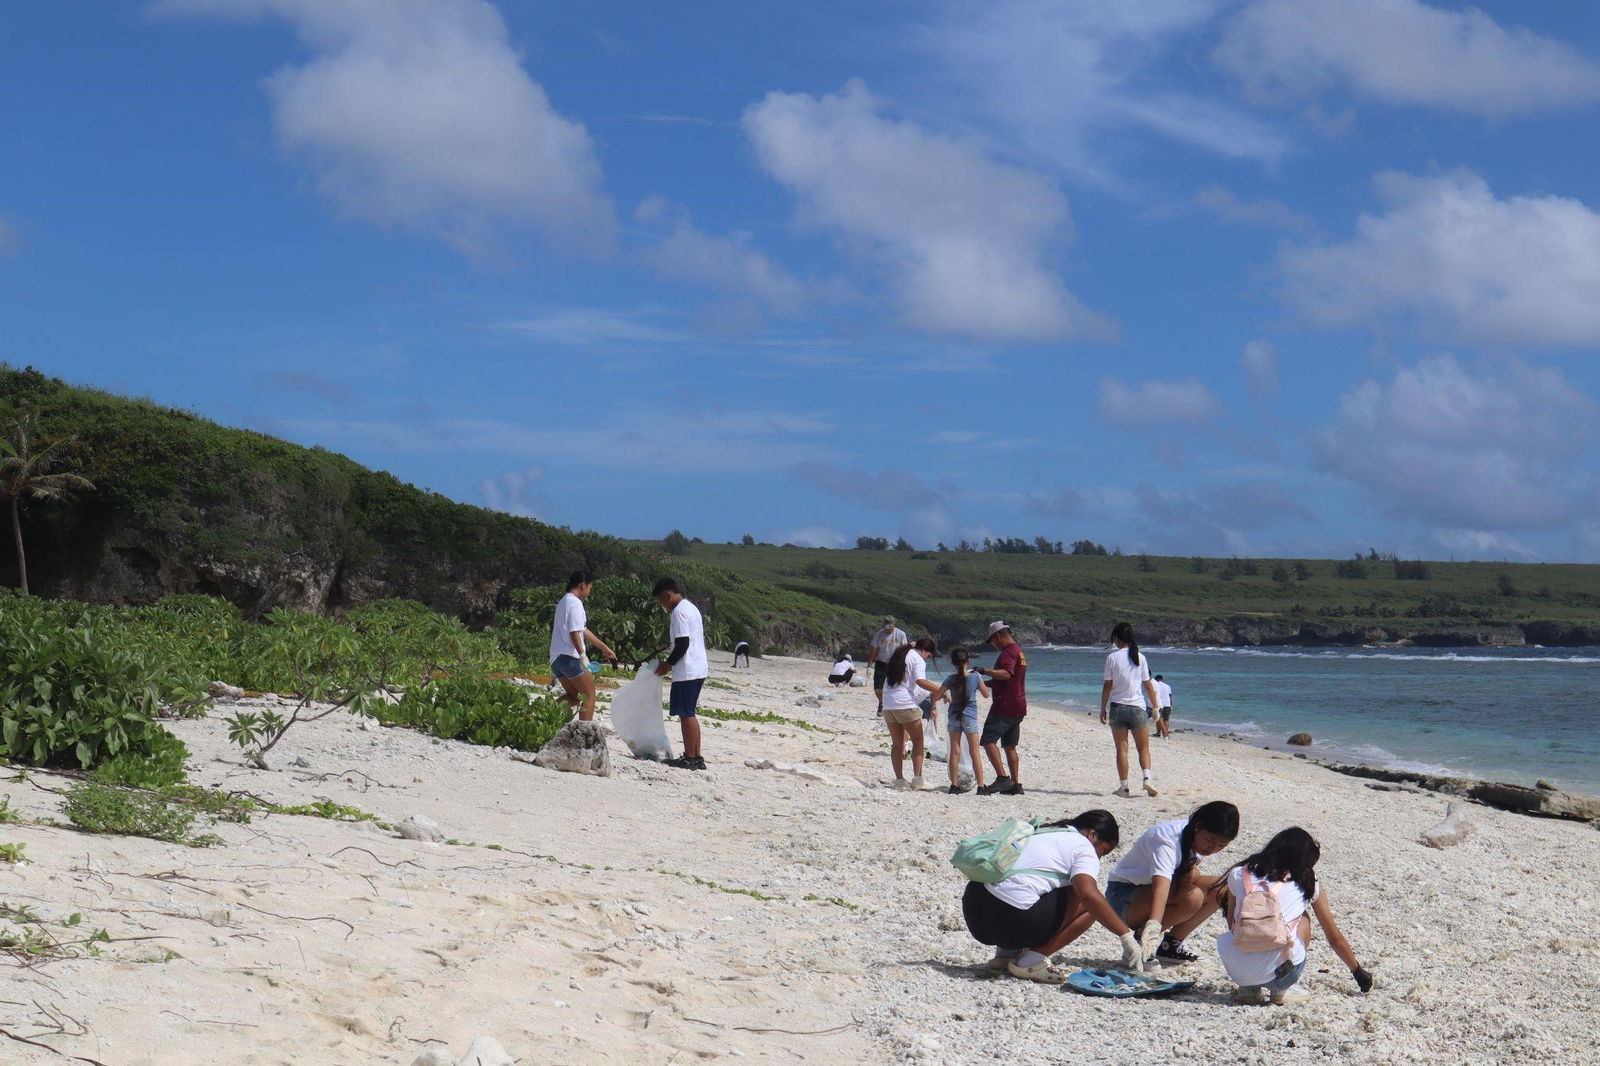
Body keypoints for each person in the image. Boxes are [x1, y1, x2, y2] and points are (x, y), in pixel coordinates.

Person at [961, 810, 1145, 984]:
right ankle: (1031, 961)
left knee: (1031, 887)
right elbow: (1088, 895)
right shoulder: (1083, 846)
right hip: (1011, 924)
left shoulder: (1042, 831)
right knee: (1089, 900)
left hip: (975, 916)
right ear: (1092, 835)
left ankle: (1005, 956)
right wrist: (1126, 936)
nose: (1098, 859)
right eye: (1102, 852)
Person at [1217, 827, 1373, 1004]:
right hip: (1279, 974)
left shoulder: (1239, 873)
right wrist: (1358, 972)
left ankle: (1248, 990)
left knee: (1244, 918)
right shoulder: (1306, 879)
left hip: (1237, 970)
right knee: (1303, 917)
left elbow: (1232, 923)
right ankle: (1281, 989)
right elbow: (1334, 938)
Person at [1104, 800, 1240, 966]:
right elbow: (1161, 884)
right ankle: (1141, 941)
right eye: (1210, 840)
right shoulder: (1168, 839)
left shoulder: (1195, 837)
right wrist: (1154, 925)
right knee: (1193, 897)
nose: (1213, 848)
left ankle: (1171, 946)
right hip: (1122, 897)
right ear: (1198, 826)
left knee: (1221, 889)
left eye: (1221, 845)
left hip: (1148, 893)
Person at [651, 577, 708, 771]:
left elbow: (683, 643)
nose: (662, 606)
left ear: (667, 595)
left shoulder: (679, 612)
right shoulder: (691, 608)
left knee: (686, 714)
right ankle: (696, 756)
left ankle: (690, 757)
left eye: (661, 601)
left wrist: (668, 664)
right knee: (689, 712)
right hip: (698, 667)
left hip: (688, 669)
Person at [1100, 622, 1160, 797]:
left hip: (1118, 707)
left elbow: (1107, 686)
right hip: (1138, 708)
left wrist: (1102, 708)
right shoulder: (1140, 657)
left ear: (1117, 639)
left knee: (1122, 750)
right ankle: (1147, 778)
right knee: (1143, 748)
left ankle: (1124, 787)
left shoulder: (1112, 658)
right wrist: (1156, 706)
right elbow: (1148, 686)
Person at [548, 569, 617, 721]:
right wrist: (582, 655)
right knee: (589, 696)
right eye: (590, 588)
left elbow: (582, 630)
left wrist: (604, 648)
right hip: (570, 658)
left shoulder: (563, 601)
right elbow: (574, 632)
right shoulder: (575, 603)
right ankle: (584, 734)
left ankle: (545, 715)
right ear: (582, 585)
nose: (589, 592)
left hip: (556, 659)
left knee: (574, 696)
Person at [972, 621, 1027, 796]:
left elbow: (1006, 674)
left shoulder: (1008, 652)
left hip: (1005, 705)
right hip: (1018, 704)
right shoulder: (1018, 650)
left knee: (988, 741)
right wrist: (980, 683)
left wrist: (983, 671)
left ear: (998, 636)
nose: (994, 645)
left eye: (993, 641)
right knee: (1010, 745)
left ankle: (1002, 778)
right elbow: (1007, 680)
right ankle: (1016, 785)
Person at [880, 639, 940, 789]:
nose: (927, 658)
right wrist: (941, 689)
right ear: (926, 652)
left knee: (897, 744)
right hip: (905, 704)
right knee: (918, 742)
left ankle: (899, 780)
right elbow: (920, 681)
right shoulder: (918, 659)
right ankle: (918, 780)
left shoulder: (900, 654)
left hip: (887, 704)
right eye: (929, 656)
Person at [930, 646, 988, 794]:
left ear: (953, 663)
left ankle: (954, 785)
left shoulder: (950, 679)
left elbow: (935, 696)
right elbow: (986, 694)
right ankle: (981, 786)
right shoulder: (975, 677)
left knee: (955, 751)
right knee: (974, 751)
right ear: (968, 661)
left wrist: (942, 698)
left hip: (954, 716)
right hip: (969, 716)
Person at [867, 616, 907, 714]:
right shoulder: (879, 635)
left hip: (895, 664)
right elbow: (873, 650)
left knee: (895, 687)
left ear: (894, 625)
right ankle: (881, 702)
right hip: (881, 662)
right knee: (878, 688)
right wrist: (869, 665)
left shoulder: (901, 634)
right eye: (886, 627)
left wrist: (905, 664)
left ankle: (893, 707)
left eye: (889, 627)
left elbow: (904, 650)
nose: (887, 629)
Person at [1153, 674, 1173, 739]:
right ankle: (1166, 733)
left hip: (1159, 704)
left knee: (1158, 719)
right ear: (1162, 679)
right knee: (1166, 720)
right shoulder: (1167, 686)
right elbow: (1170, 697)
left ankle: (1158, 733)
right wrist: (1171, 705)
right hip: (1167, 705)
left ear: (1156, 679)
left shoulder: (1155, 685)